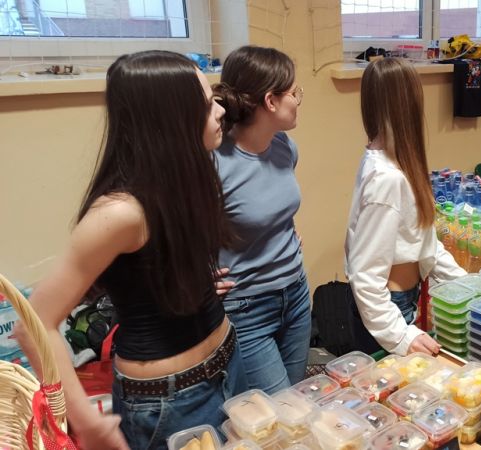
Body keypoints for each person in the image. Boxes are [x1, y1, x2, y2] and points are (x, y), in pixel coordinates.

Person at [15, 51, 246, 450]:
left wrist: (183, 284)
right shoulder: (120, 211)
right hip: (169, 401)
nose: (222, 109)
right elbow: (34, 326)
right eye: (208, 103)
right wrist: (86, 420)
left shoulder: (187, 177)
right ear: (171, 120)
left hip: (228, 364)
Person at [345, 58, 467, 356]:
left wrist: (469, 286)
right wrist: (400, 335)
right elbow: (365, 275)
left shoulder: (397, 163)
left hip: (400, 301)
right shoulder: (387, 178)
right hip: (388, 308)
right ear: (408, 105)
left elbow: (424, 241)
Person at [212, 46, 311, 393]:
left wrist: (282, 234)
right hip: (246, 307)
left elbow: (274, 208)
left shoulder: (285, 146)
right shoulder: (215, 161)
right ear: (270, 101)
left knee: (295, 401)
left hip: (296, 294)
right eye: (294, 93)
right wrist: (194, 277)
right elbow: (174, 229)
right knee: (277, 412)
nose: (298, 101)